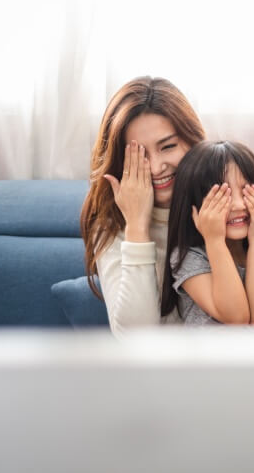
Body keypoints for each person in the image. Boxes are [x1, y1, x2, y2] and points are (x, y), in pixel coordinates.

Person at [80, 76, 205, 333]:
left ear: (193, 141)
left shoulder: (235, 195)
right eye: (139, 156)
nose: (157, 167)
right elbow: (136, 338)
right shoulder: (110, 225)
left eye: (168, 146)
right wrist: (137, 227)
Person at [162, 141, 254, 325]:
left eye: (246, 191)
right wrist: (214, 241)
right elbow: (236, 317)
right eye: (222, 195)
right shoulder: (189, 256)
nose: (239, 205)